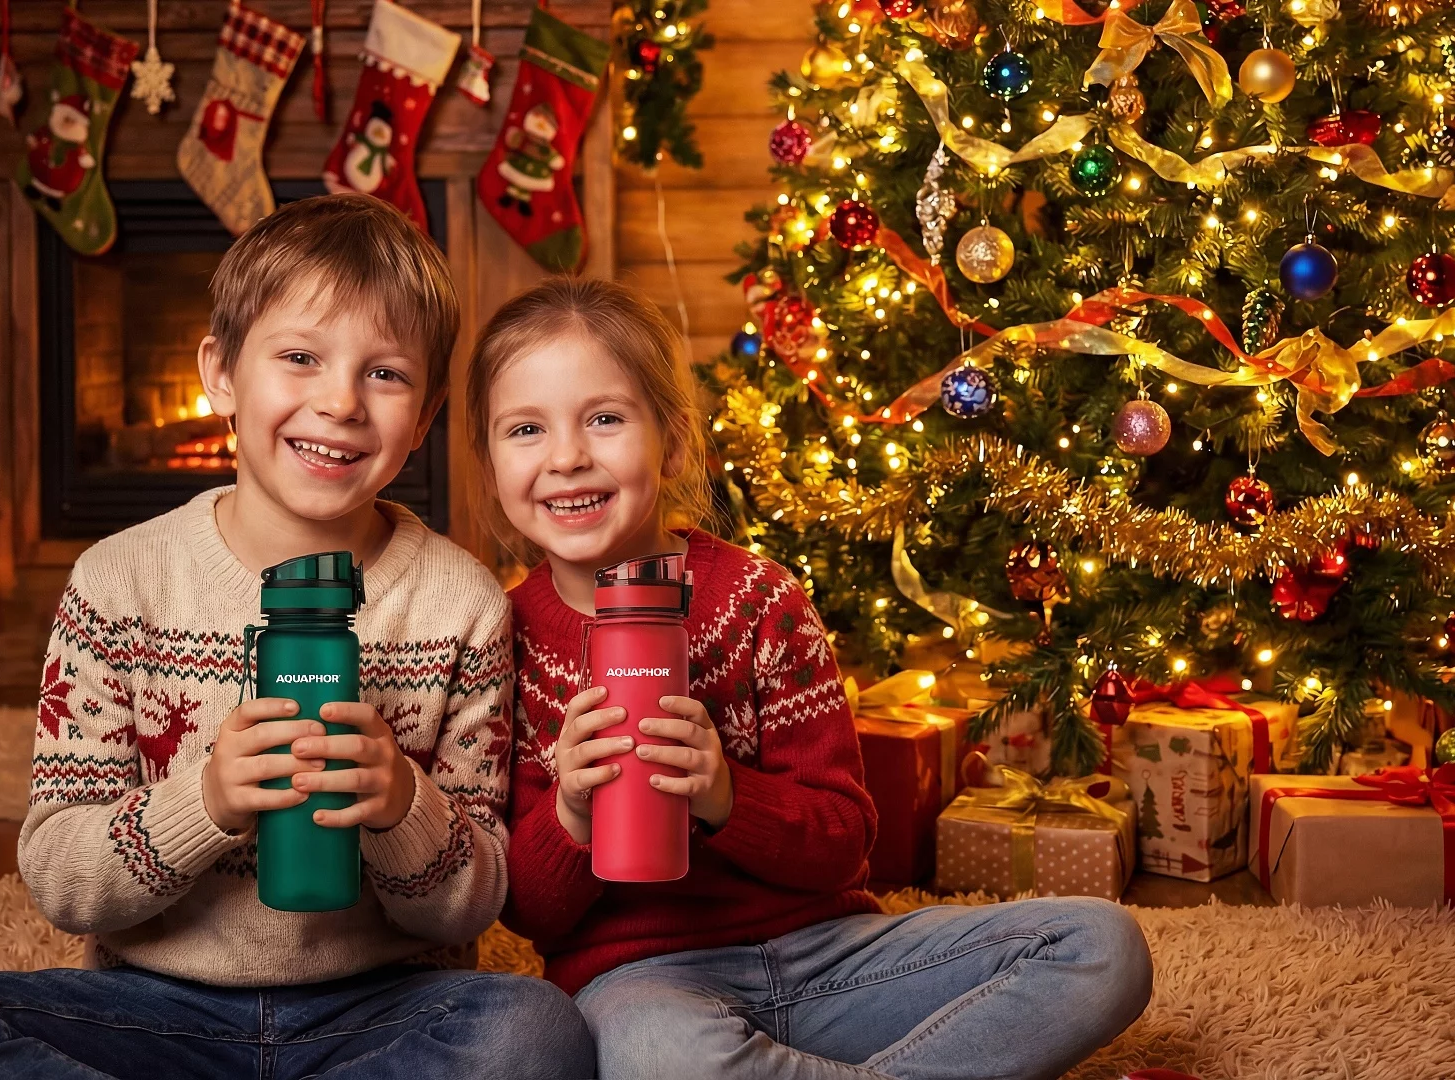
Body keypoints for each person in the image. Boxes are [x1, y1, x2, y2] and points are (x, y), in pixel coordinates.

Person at [0, 194, 594, 1080]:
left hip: (381, 1007)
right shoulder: (120, 583)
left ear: (425, 418)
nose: (340, 401)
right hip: (158, 1011)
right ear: (221, 374)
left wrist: (401, 802)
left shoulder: (459, 602)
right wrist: (201, 801)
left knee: (535, 1034)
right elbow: (60, 875)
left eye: (385, 374)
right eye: (300, 358)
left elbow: (472, 905)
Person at [471, 276, 1154, 1080]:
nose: (567, 457)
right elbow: (525, 914)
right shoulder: (505, 639)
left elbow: (844, 845)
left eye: (606, 419)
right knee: (651, 1055)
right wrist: (572, 812)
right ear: (488, 465)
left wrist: (726, 794)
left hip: (833, 959)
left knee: (1102, 949)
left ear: (677, 443)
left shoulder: (759, 600)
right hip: (645, 984)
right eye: (525, 429)